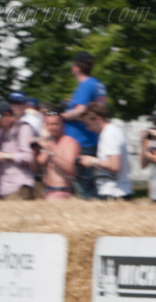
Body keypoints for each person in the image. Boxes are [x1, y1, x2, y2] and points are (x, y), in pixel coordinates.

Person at [61, 51, 107, 199]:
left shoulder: (85, 85)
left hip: (82, 140)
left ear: (77, 67)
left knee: (83, 182)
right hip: (91, 138)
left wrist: (62, 116)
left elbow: (80, 109)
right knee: (89, 180)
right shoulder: (97, 84)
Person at [79, 101, 132, 200]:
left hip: (114, 193)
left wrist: (92, 161)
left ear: (97, 119)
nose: (88, 128)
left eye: (88, 124)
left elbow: (114, 166)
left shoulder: (109, 134)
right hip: (115, 191)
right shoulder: (111, 131)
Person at [0, 96, 37, 200]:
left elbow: (28, 156)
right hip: (7, 185)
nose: (15, 107)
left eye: (19, 104)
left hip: (19, 186)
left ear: (25, 106)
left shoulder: (24, 128)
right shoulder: (8, 128)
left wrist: (3, 155)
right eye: (12, 104)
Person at [36, 107, 77, 200]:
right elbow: (40, 162)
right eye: (49, 125)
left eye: (55, 124)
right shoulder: (49, 141)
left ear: (62, 124)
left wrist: (51, 152)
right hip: (47, 190)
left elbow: (70, 169)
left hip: (61, 191)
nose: (52, 127)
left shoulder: (70, 142)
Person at [141, 111, 156, 202]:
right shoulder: (151, 140)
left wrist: (151, 156)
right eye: (154, 122)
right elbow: (143, 164)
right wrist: (144, 142)